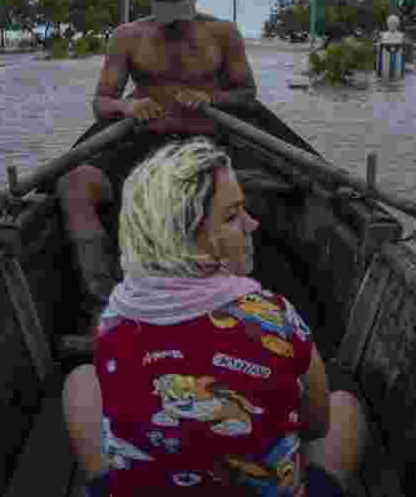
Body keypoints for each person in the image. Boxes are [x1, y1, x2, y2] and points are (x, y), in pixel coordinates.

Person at [62, 138, 369, 496]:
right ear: (187, 235)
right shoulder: (277, 316)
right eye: (232, 215)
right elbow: (315, 425)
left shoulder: (114, 318)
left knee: (81, 381)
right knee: (344, 406)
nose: (252, 223)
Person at [56, 0, 258, 329]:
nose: (175, 21)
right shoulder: (127, 37)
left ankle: (238, 302)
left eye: (181, 9)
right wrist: (126, 108)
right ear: (149, 1)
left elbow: (247, 94)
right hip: (140, 144)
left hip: (203, 143)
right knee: (74, 184)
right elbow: (101, 102)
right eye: (166, 10)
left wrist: (211, 99)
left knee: (232, 208)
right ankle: (102, 305)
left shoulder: (222, 33)